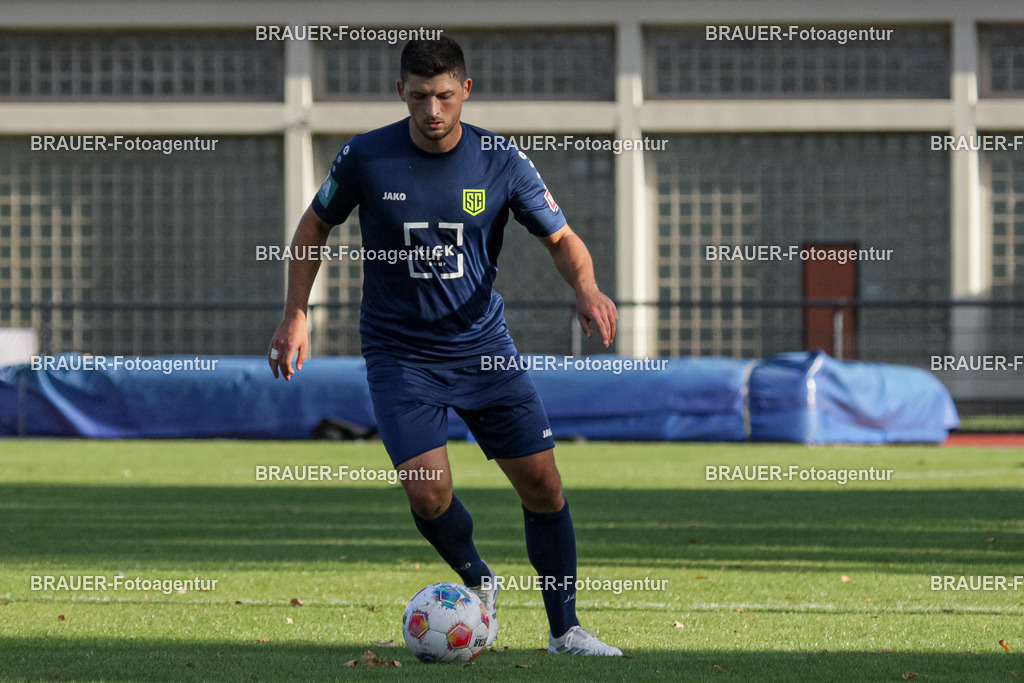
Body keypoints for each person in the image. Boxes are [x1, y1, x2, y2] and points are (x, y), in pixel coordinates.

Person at [267, 36, 621, 657]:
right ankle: (478, 578)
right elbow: (314, 224)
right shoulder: (366, 157)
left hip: (484, 350)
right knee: (427, 492)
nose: (433, 110)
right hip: (400, 355)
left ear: (466, 92)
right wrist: (297, 312)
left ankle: (565, 629)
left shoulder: (502, 160)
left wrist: (587, 289)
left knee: (543, 486)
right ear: (400, 91)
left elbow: (562, 238)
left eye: (445, 96)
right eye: (421, 96)